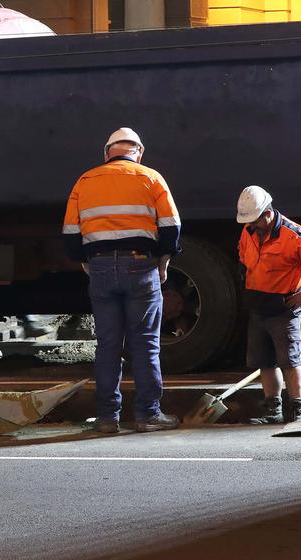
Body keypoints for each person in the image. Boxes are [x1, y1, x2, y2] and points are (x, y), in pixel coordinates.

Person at [62, 127, 181, 433]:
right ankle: (148, 415)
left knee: (108, 346)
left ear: (107, 153)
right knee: (145, 345)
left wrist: (88, 262)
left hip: (100, 268)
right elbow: (171, 228)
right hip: (141, 266)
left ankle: (107, 418)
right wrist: (163, 263)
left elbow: (71, 235)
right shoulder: (151, 177)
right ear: (138, 152)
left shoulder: (85, 181)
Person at [236, 186, 301, 424]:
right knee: (264, 362)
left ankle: (299, 412)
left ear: (267, 214)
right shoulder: (248, 232)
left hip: (284, 308)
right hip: (258, 306)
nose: (250, 226)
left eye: (254, 221)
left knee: (289, 360)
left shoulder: (293, 235)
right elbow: (243, 261)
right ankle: (273, 411)